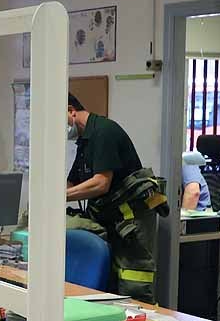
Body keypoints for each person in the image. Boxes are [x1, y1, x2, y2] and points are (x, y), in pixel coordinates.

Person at [65, 94, 168, 303]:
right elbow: (73, 182)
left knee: (133, 283)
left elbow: (101, 182)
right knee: (110, 283)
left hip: (132, 221)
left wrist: (58, 197)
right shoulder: (85, 141)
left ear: (71, 110)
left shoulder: (104, 132)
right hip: (110, 218)